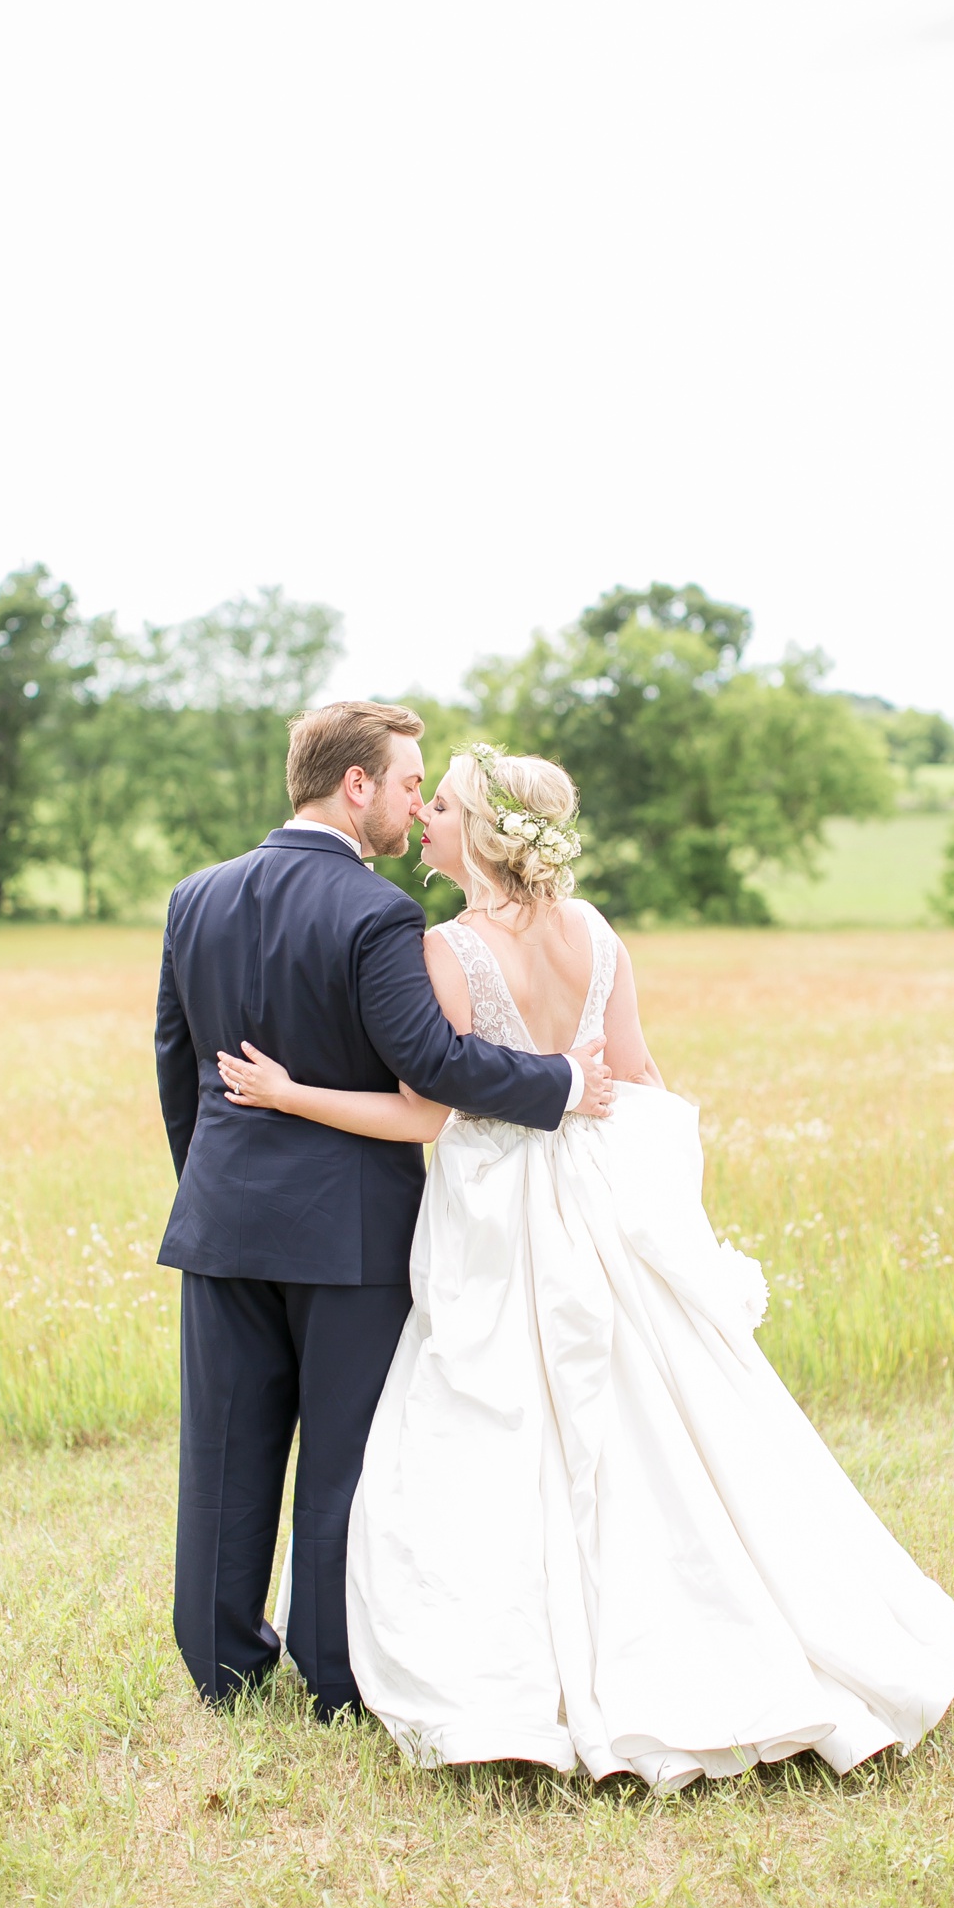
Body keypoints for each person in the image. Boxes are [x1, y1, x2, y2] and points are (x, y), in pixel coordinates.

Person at [217, 743, 954, 1790]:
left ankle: (502, 1663)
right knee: (649, 1410)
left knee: (490, 1410)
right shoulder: (597, 932)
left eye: (438, 804)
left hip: (494, 1206)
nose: (423, 815)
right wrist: (662, 1209)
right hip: (602, 1187)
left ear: (481, 831)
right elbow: (641, 1075)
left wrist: (288, 1093)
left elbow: (426, 1108)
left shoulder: (446, 949)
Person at [154, 703, 614, 1723]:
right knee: (342, 1456)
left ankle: (223, 1668)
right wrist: (560, 1082)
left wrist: (217, 1191)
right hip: (349, 1230)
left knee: (223, 1449)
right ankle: (331, 1670)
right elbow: (435, 1066)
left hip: (223, 1224)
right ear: (353, 785)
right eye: (408, 783)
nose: (417, 803)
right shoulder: (375, 915)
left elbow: (178, 1070)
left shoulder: (195, 897)